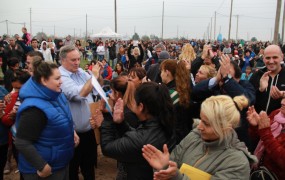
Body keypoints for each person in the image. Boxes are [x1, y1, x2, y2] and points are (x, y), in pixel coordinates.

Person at [142, 95, 257, 180]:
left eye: (207, 124)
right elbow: (173, 167)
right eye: (201, 119)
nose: (199, 127)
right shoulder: (195, 136)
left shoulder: (237, 162)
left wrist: (177, 177)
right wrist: (165, 166)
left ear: (225, 128)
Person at [15, 60, 78, 180]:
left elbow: (60, 119)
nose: (61, 81)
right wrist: (42, 166)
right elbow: (22, 142)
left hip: (59, 164)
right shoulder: (34, 109)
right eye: (57, 78)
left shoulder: (56, 95)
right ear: (44, 80)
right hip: (44, 171)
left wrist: (72, 132)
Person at [100, 82, 176, 179]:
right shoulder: (164, 122)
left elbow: (107, 147)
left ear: (141, 106)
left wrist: (107, 118)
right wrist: (121, 123)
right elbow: (137, 136)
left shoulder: (141, 140)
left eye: (135, 101)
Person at [59, 45, 100, 180]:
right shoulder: (61, 76)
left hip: (88, 131)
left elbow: (95, 89)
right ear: (62, 60)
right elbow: (80, 94)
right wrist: (93, 77)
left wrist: (95, 77)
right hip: (71, 134)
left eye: (78, 59)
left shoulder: (80, 72)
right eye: (73, 60)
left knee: (89, 169)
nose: (77, 62)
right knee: (72, 170)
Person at [247, 102, 285, 179]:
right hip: (260, 170)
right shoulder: (277, 113)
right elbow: (257, 139)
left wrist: (265, 133)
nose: (282, 102)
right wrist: (257, 126)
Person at [160, 59, 192, 144]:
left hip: (173, 136)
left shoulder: (169, 93)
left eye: (161, 71)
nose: (160, 74)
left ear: (167, 72)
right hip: (184, 133)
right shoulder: (183, 87)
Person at [250, 44, 285, 114]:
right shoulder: (256, 75)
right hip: (257, 122)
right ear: (263, 58)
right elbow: (248, 100)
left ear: (282, 57)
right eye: (268, 58)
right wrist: (260, 90)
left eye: (275, 57)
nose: (271, 61)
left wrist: (283, 94)